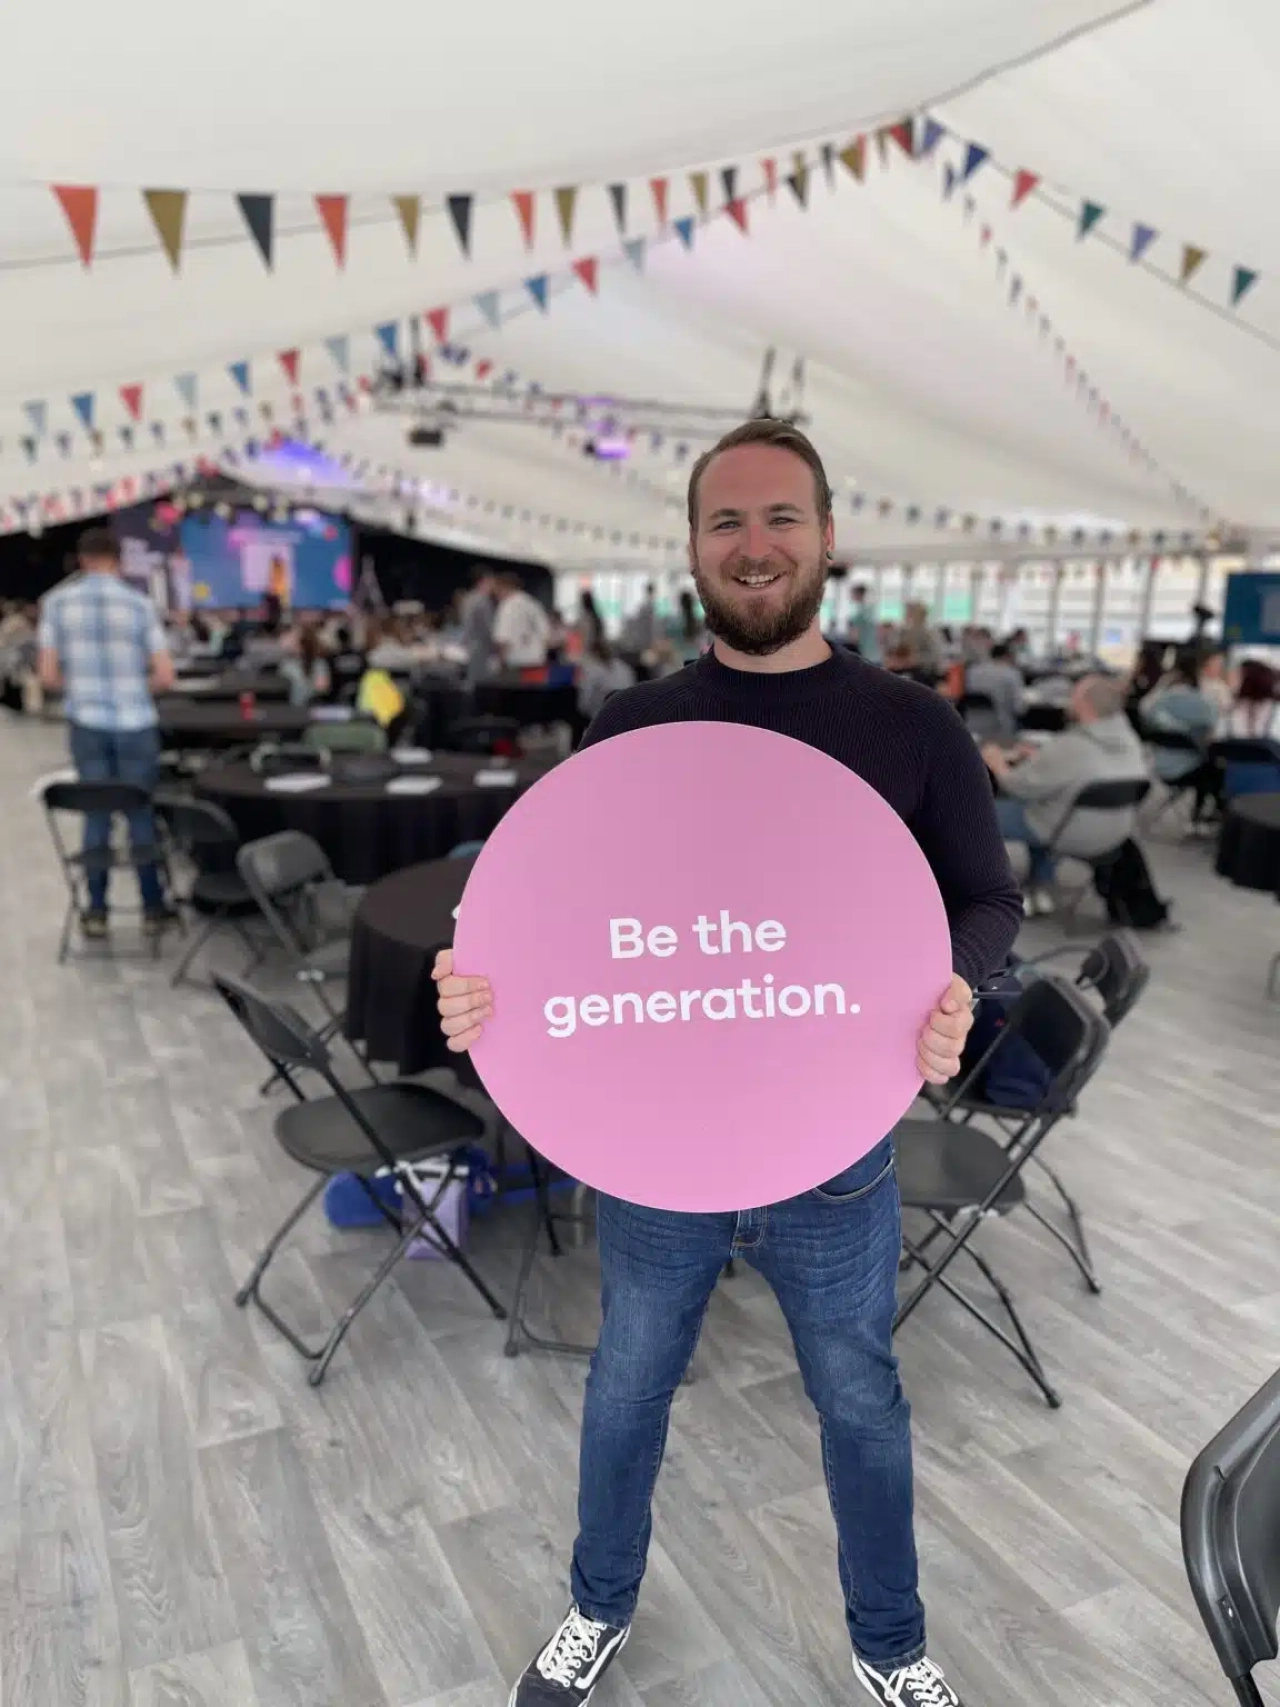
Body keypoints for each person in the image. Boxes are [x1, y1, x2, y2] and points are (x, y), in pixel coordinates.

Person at [434, 418, 1022, 1707]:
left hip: (837, 1149)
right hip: (658, 1150)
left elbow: (986, 899)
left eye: (779, 520)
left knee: (860, 1404)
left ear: (825, 539)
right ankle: (596, 1607)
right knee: (626, 1389)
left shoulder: (909, 722)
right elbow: (569, 911)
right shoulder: (632, 721)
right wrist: (483, 983)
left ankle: (891, 1645)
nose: (754, 546)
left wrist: (952, 986)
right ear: (692, 547)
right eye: (726, 522)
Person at [36, 528, 178, 939]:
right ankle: (153, 909)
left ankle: (95, 911)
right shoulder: (139, 604)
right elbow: (165, 676)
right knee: (139, 812)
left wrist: (81, 687)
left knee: (96, 812)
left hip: (87, 722)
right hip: (135, 724)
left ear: (82, 560)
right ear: (119, 560)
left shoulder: (56, 604)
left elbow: (46, 676)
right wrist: (133, 687)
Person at [983, 673, 1149, 915]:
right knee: (1050, 806)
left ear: (1084, 705)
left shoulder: (1072, 746)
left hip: (1066, 830)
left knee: (973, 812)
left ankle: (962, 884)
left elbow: (1017, 785)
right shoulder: (1131, 740)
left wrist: (996, 761)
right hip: (1114, 834)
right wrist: (1042, 759)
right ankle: (1041, 887)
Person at [965, 639, 1026, 742]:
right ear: (1007, 656)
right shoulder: (1011, 674)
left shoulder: (972, 671)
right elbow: (1019, 708)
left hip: (971, 727)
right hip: (1001, 729)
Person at [492, 571, 553, 671]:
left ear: (504, 587)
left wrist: (500, 663)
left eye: (497, 590)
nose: (495, 594)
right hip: (537, 662)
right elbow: (547, 636)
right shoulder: (533, 603)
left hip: (515, 664)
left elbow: (503, 640)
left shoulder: (507, 606)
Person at [576, 637, 636, 722]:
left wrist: (582, 710)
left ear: (594, 653)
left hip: (600, 716)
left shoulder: (592, 670)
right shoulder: (624, 667)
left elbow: (584, 701)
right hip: (626, 713)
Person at [460, 565, 498, 687]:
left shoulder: (468, 598)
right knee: (482, 686)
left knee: (473, 684)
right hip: (481, 650)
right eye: (492, 579)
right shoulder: (483, 600)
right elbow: (489, 629)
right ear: (484, 580)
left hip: (470, 647)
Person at [846, 582, 880, 661]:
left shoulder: (858, 613)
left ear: (858, 594)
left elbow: (854, 636)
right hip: (874, 653)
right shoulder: (870, 610)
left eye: (852, 594)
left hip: (863, 653)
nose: (851, 596)